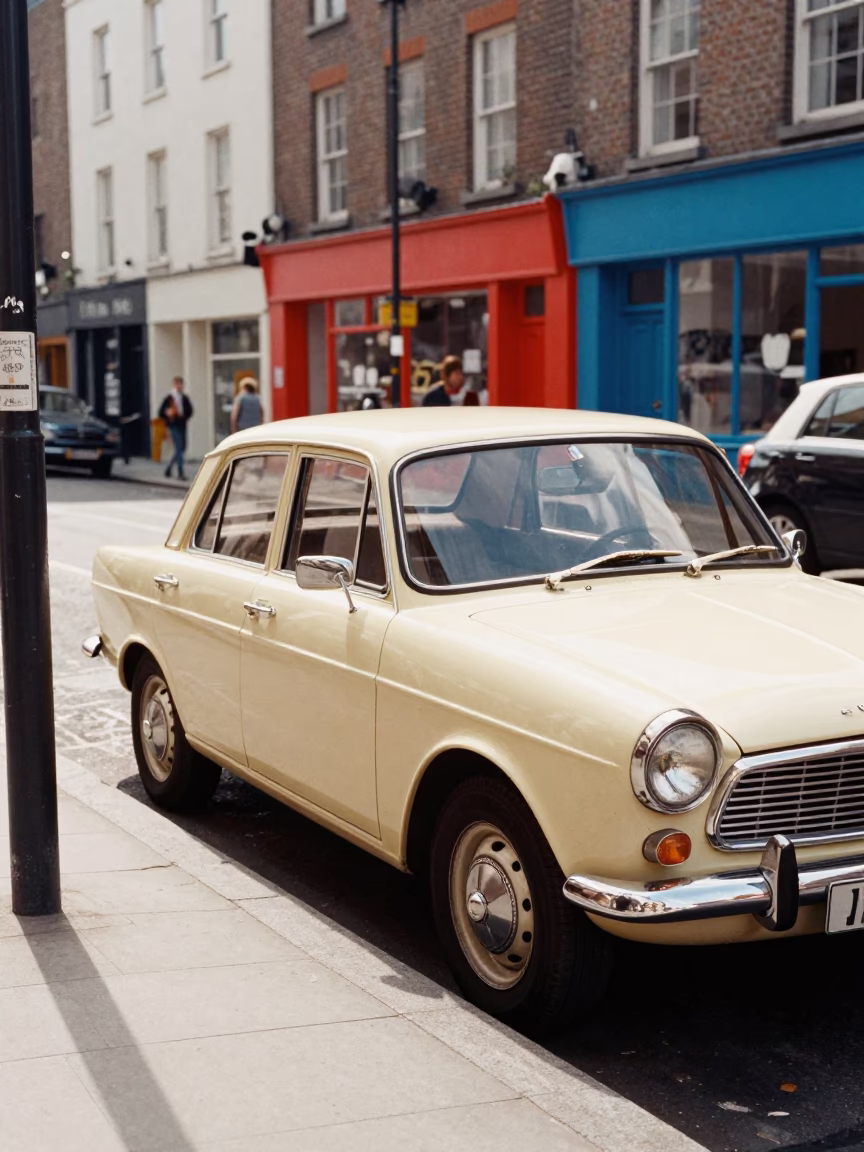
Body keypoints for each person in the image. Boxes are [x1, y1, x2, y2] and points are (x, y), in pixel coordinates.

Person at [159, 376, 193, 480]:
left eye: (180, 384)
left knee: (182, 448)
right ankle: (180, 472)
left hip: (182, 424)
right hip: (173, 425)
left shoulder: (184, 397)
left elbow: (190, 410)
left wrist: (184, 417)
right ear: (174, 385)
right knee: (178, 447)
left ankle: (169, 468)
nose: (179, 386)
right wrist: (167, 414)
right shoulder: (169, 398)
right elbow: (161, 412)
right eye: (177, 384)